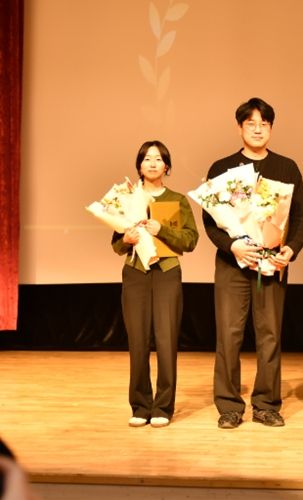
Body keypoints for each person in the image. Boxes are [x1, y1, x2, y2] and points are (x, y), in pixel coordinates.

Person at [204, 97, 303, 429]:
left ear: (271, 128)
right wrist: (232, 245)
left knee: (270, 335)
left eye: (264, 123)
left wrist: (291, 249)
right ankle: (229, 406)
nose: (258, 129)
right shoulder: (222, 168)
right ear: (240, 128)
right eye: (251, 123)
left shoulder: (287, 167)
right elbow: (210, 222)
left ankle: (266, 404)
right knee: (229, 335)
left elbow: (299, 217)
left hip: (271, 264)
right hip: (232, 264)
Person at [112, 140, 199, 428]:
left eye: (158, 159)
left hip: (167, 272)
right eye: (147, 158)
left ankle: (163, 407)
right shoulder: (128, 198)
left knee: (166, 340)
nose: (152, 163)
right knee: (137, 342)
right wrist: (126, 240)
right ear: (139, 165)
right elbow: (116, 244)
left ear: (167, 166)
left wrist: (162, 229)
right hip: (135, 273)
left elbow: (191, 240)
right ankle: (140, 406)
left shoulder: (177, 200)